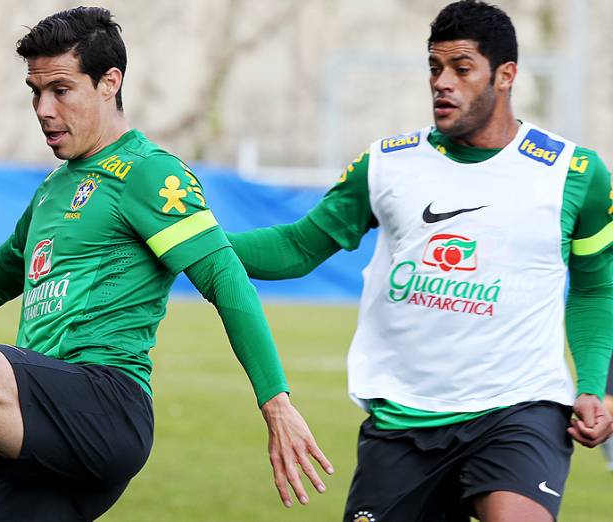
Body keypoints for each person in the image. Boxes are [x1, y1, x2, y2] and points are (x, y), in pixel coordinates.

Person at [0, 7, 332, 522]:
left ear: (109, 83)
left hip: (105, 403)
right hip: (47, 430)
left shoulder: (147, 171)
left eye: (61, 90)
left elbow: (225, 278)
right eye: (35, 92)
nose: (43, 108)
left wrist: (276, 402)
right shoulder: (53, 189)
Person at [226, 1, 613, 520]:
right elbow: (298, 247)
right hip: (404, 419)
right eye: (434, 68)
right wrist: (190, 244)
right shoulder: (387, 163)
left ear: (506, 76)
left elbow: (595, 287)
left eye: (461, 68)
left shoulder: (575, 173)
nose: (442, 82)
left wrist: (590, 386)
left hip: (519, 409)